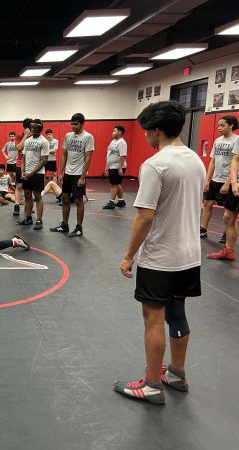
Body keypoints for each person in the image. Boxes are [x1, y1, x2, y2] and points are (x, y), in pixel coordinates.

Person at [115, 101, 205, 405]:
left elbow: (144, 217)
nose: (145, 137)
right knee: (177, 313)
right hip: (189, 255)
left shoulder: (155, 164)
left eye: (146, 132)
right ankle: (177, 374)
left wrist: (129, 255)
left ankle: (152, 385)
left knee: (153, 318)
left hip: (162, 258)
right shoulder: (195, 159)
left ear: (156, 130)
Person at [50, 113, 94, 237]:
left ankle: (79, 228)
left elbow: (88, 157)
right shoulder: (68, 136)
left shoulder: (88, 137)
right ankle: (64, 225)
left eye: (76, 124)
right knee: (65, 198)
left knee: (79, 200)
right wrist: (60, 172)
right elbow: (64, 155)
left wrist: (83, 176)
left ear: (82, 124)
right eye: (72, 124)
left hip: (79, 173)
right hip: (68, 173)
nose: (73, 126)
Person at [200, 115, 238, 243]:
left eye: (222, 125)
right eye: (218, 125)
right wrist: (207, 179)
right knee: (207, 203)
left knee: (229, 213)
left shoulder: (236, 140)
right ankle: (202, 230)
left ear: (231, 125)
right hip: (215, 180)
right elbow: (213, 161)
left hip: (227, 181)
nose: (219, 128)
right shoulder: (217, 141)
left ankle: (228, 234)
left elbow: (236, 163)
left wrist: (228, 183)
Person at [207, 132, 239, 261]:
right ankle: (228, 251)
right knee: (228, 217)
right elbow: (236, 159)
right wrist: (233, 182)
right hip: (236, 184)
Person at [16, 119, 49, 230]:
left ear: (40, 128)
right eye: (32, 127)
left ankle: (39, 220)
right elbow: (23, 158)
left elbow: (44, 160)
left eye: (36, 128)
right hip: (27, 173)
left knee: (37, 196)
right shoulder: (27, 141)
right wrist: (23, 172)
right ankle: (28, 218)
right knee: (27, 196)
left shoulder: (43, 141)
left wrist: (32, 173)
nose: (33, 130)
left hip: (37, 173)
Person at [102, 125, 128, 209]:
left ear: (120, 132)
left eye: (114, 131)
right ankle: (121, 201)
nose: (112, 132)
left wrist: (120, 168)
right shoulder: (113, 141)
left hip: (117, 167)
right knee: (116, 184)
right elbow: (109, 154)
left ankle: (111, 202)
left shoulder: (122, 142)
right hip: (112, 166)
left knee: (114, 184)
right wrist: (107, 165)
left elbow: (123, 156)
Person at [13, 118, 33, 216]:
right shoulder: (19, 136)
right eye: (30, 128)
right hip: (20, 163)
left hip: (31, 165)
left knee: (29, 188)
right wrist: (25, 136)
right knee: (19, 186)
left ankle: (27, 206)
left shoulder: (35, 137)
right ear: (25, 128)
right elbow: (19, 148)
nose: (31, 130)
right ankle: (16, 206)